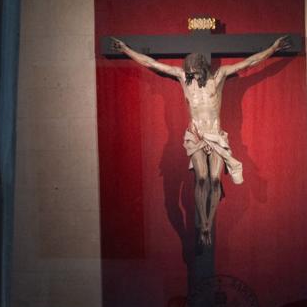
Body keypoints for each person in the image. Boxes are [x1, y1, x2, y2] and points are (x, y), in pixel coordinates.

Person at [110, 35, 290, 247]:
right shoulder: (182, 78)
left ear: (201, 66)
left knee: (215, 180)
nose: (190, 72)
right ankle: (202, 222)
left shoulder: (219, 77)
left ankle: (208, 224)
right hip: (195, 136)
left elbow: (250, 62)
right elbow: (152, 63)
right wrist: (125, 50)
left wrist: (273, 48)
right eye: (189, 69)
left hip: (215, 135)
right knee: (202, 178)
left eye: (193, 68)